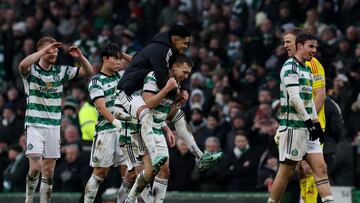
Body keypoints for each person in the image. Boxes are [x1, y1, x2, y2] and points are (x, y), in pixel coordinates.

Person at [18, 36, 93, 203]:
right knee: (36, 168)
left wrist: (80, 57)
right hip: (35, 124)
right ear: (41, 51)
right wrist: (44, 50)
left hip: (53, 126)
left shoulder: (61, 71)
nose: (54, 53)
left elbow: (88, 72)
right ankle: (29, 198)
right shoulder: (32, 71)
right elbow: (22, 65)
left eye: (56, 51)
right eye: (51, 50)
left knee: (49, 171)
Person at [268, 32, 333, 203]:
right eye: (311, 46)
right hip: (293, 128)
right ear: (300, 46)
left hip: (308, 128)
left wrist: (316, 123)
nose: (314, 50)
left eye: (315, 47)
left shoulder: (307, 68)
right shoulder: (290, 67)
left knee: (321, 168)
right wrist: (308, 122)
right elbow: (295, 99)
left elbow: (310, 100)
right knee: (286, 172)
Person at [115, 24, 191, 170]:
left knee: (148, 171)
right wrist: (177, 94)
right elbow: (163, 80)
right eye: (185, 43)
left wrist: (180, 91)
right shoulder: (163, 50)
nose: (186, 46)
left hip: (139, 94)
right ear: (175, 39)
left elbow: (138, 60)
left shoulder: (163, 48)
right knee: (145, 114)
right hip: (130, 92)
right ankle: (155, 155)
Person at [283, 28, 327, 203]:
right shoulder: (290, 64)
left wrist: (309, 121)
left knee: (309, 168)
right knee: (299, 168)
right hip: (295, 124)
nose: (285, 45)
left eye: (288, 41)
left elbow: (320, 95)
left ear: (298, 43)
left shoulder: (314, 64)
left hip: (312, 124)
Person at [84, 43, 128, 203]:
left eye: (120, 59)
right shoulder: (96, 81)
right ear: (105, 59)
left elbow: (139, 63)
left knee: (128, 173)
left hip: (124, 131)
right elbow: (101, 107)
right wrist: (116, 122)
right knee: (100, 173)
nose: (119, 62)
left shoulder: (122, 75)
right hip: (106, 132)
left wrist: (121, 53)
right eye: (115, 59)